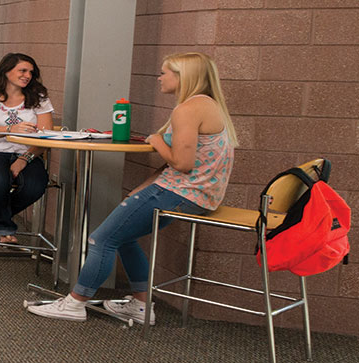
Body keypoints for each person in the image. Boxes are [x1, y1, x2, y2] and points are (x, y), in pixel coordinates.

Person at [27, 52, 238, 324]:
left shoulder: (187, 109)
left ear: (183, 77)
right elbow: (184, 164)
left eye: (165, 72)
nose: (159, 77)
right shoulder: (208, 105)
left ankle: (75, 303)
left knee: (101, 239)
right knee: (123, 237)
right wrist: (143, 186)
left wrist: (157, 140)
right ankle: (140, 305)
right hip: (196, 195)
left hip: (179, 192)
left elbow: (183, 163)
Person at [0, 53, 55, 245]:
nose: (27, 75)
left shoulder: (39, 99)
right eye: (22, 71)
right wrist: (11, 129)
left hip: (27, 153)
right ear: (6, 71)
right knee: (0, 180)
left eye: (31, 72)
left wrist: (23, 159)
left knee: (36, 186)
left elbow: (45, 136)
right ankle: (4, 229)